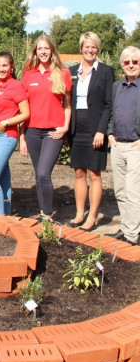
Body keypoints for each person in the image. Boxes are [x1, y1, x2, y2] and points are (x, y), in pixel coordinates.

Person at [20, 34, 72, 221]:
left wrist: (65, 128)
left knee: (43, 173)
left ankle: (48, 215)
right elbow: (23, 108)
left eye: (46, 48)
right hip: (32, 130)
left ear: (52, 51)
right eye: (40, 48)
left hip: (53, 132)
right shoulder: (28, 75)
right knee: (39, 175)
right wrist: (22, 136)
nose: (43, 51)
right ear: (35, 51)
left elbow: (67, 104)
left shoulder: (62, 73)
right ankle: (43, 213)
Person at [68, 32, 115, 231]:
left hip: (95, 127)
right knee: (79, 171)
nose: (90, 49)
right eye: (87, 46)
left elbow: (108, 104)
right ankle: (80, 213)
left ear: (98, 49)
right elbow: (66, 101)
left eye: (94, 46)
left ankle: (92, 216)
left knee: (94, 173)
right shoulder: (71, 71)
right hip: (76, 126)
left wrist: (101, 131)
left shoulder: (106, 71)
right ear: (81, 48)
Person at [0, 51, 30, 215]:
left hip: (6, 136)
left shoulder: (15, 86)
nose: (1, 68)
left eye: (5, 65)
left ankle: (0, 217)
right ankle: (7, 215)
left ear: (11, 67)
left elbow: (25, 113)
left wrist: (6, 122)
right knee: (3, 178)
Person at [106, 46, 140, 245]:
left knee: (133, 191)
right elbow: (112, 112)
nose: (131, 65)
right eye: (127, 62)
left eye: (135, 62)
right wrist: (110, 133)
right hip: (117, 145)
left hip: (136, 146)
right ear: (121, 65)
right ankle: (128, 227)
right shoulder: (117, 86)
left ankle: (131, 235)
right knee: (120, 191)